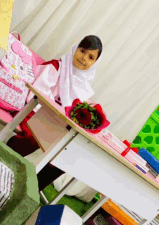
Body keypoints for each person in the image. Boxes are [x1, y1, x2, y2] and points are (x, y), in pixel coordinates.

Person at [7, 35, 103, 191]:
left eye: (91, 57)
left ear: (94, 63)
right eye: (82, 51)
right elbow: (36, 94)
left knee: (68, 155)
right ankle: (8, 155)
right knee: (38, 136)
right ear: (75, 49)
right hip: (37, 111)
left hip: (58, 124)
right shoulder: (57, 67)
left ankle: (31, 188)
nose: (84, 58)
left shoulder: (83, 86)